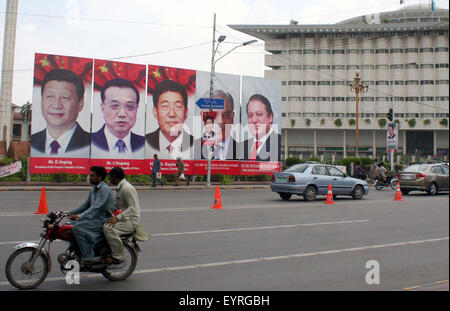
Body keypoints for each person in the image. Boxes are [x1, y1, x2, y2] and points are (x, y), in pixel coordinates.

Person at [31, 69, 90, 157]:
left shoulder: (93, 144)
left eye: (64, 97)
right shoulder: (32, 142)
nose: (56, 105)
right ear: (41, 100)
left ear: (80, 104)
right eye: (50, 96)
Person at [66, 166, 114, 268]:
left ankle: (88, 257)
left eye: (92, 176)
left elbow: (96, 207)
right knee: (69, 226)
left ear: (100, 177)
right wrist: (68, 213)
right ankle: (77, 251)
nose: (90, 177)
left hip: (102, 220)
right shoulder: (93, 189)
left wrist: (80, 217)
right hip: (93, 218)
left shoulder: (104, 189)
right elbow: (86, 205)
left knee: (77, 228)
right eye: (90, 175)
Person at [103, 167, 148, 264]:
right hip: (123, 219)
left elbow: (132, 208)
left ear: (114, 177)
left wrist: (117, 218)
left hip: (130, 221)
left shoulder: (127, 188)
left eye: (110, 177)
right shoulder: (120, 188)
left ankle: (118, 255)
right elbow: (116, 205)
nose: (109, 179)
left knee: (108, 228)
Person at [92, 79, 144, 157]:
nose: (122, 114)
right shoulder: (88, 142)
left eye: (129, 106)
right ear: (102, 107)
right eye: (114, 106)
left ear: (137, 109)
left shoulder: (145, 145)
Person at [145, 80, 193, 159]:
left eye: (178, 106)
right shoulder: (144, 142)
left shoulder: (196, 144)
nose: (171, 114)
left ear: (186, 112)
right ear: (155, 111)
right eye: (165, 106)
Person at [195, 90, 239, 160]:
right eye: (214, 114)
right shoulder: (191, 149)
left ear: (232, 118)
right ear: (203, 116)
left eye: (226, 115)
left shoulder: (244, 152)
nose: (220, 121)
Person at [242, 94, 281, 161]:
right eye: (250, 115)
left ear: (270, 117)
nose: (254, 120)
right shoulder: (242, 146)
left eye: (259, 114)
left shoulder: (279, 143)